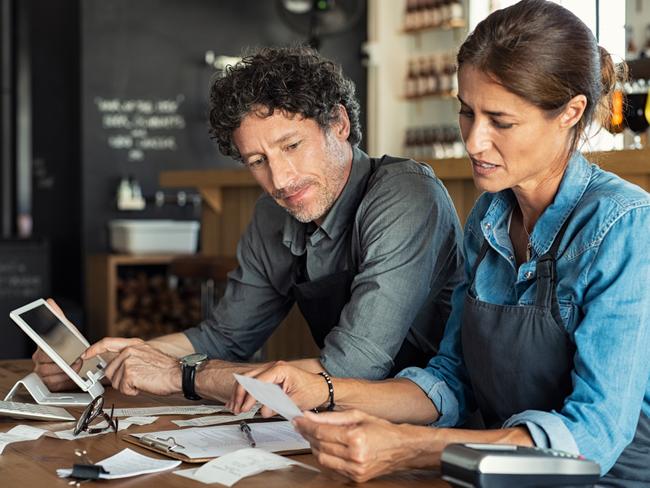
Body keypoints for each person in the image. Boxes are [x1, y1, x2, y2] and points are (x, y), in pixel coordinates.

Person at [228, 1, 650, 485]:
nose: (473, 141)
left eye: (501, 121)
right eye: (467, 112)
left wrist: (414, 447)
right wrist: (319, 389)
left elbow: (594, 434)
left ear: (571, 113)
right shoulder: (489, 219)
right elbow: (452, 380)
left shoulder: (624, 225)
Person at [33, 46, 464, 402]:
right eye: (258, 161)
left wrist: (181, 376)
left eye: (292, 145)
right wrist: (105, 359)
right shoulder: (272, 214)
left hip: (435, 421)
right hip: (344, 421)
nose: (280, 180)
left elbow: (352, 368)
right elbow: (224, 336)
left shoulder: (405, 195)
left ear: (339, 124)